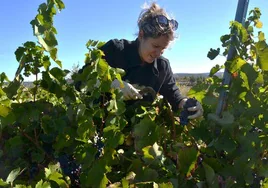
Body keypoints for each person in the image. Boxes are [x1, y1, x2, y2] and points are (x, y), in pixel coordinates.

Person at [78, 2, 203, 119]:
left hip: (137, 138)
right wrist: (112, 85)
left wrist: (186, 103)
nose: (158, 53)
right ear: (141, 35)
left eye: (163, 49)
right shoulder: (115, 50)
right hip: (100, 131)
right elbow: (81, 82)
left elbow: (175, 97)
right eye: (155, 46)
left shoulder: (162, 67)